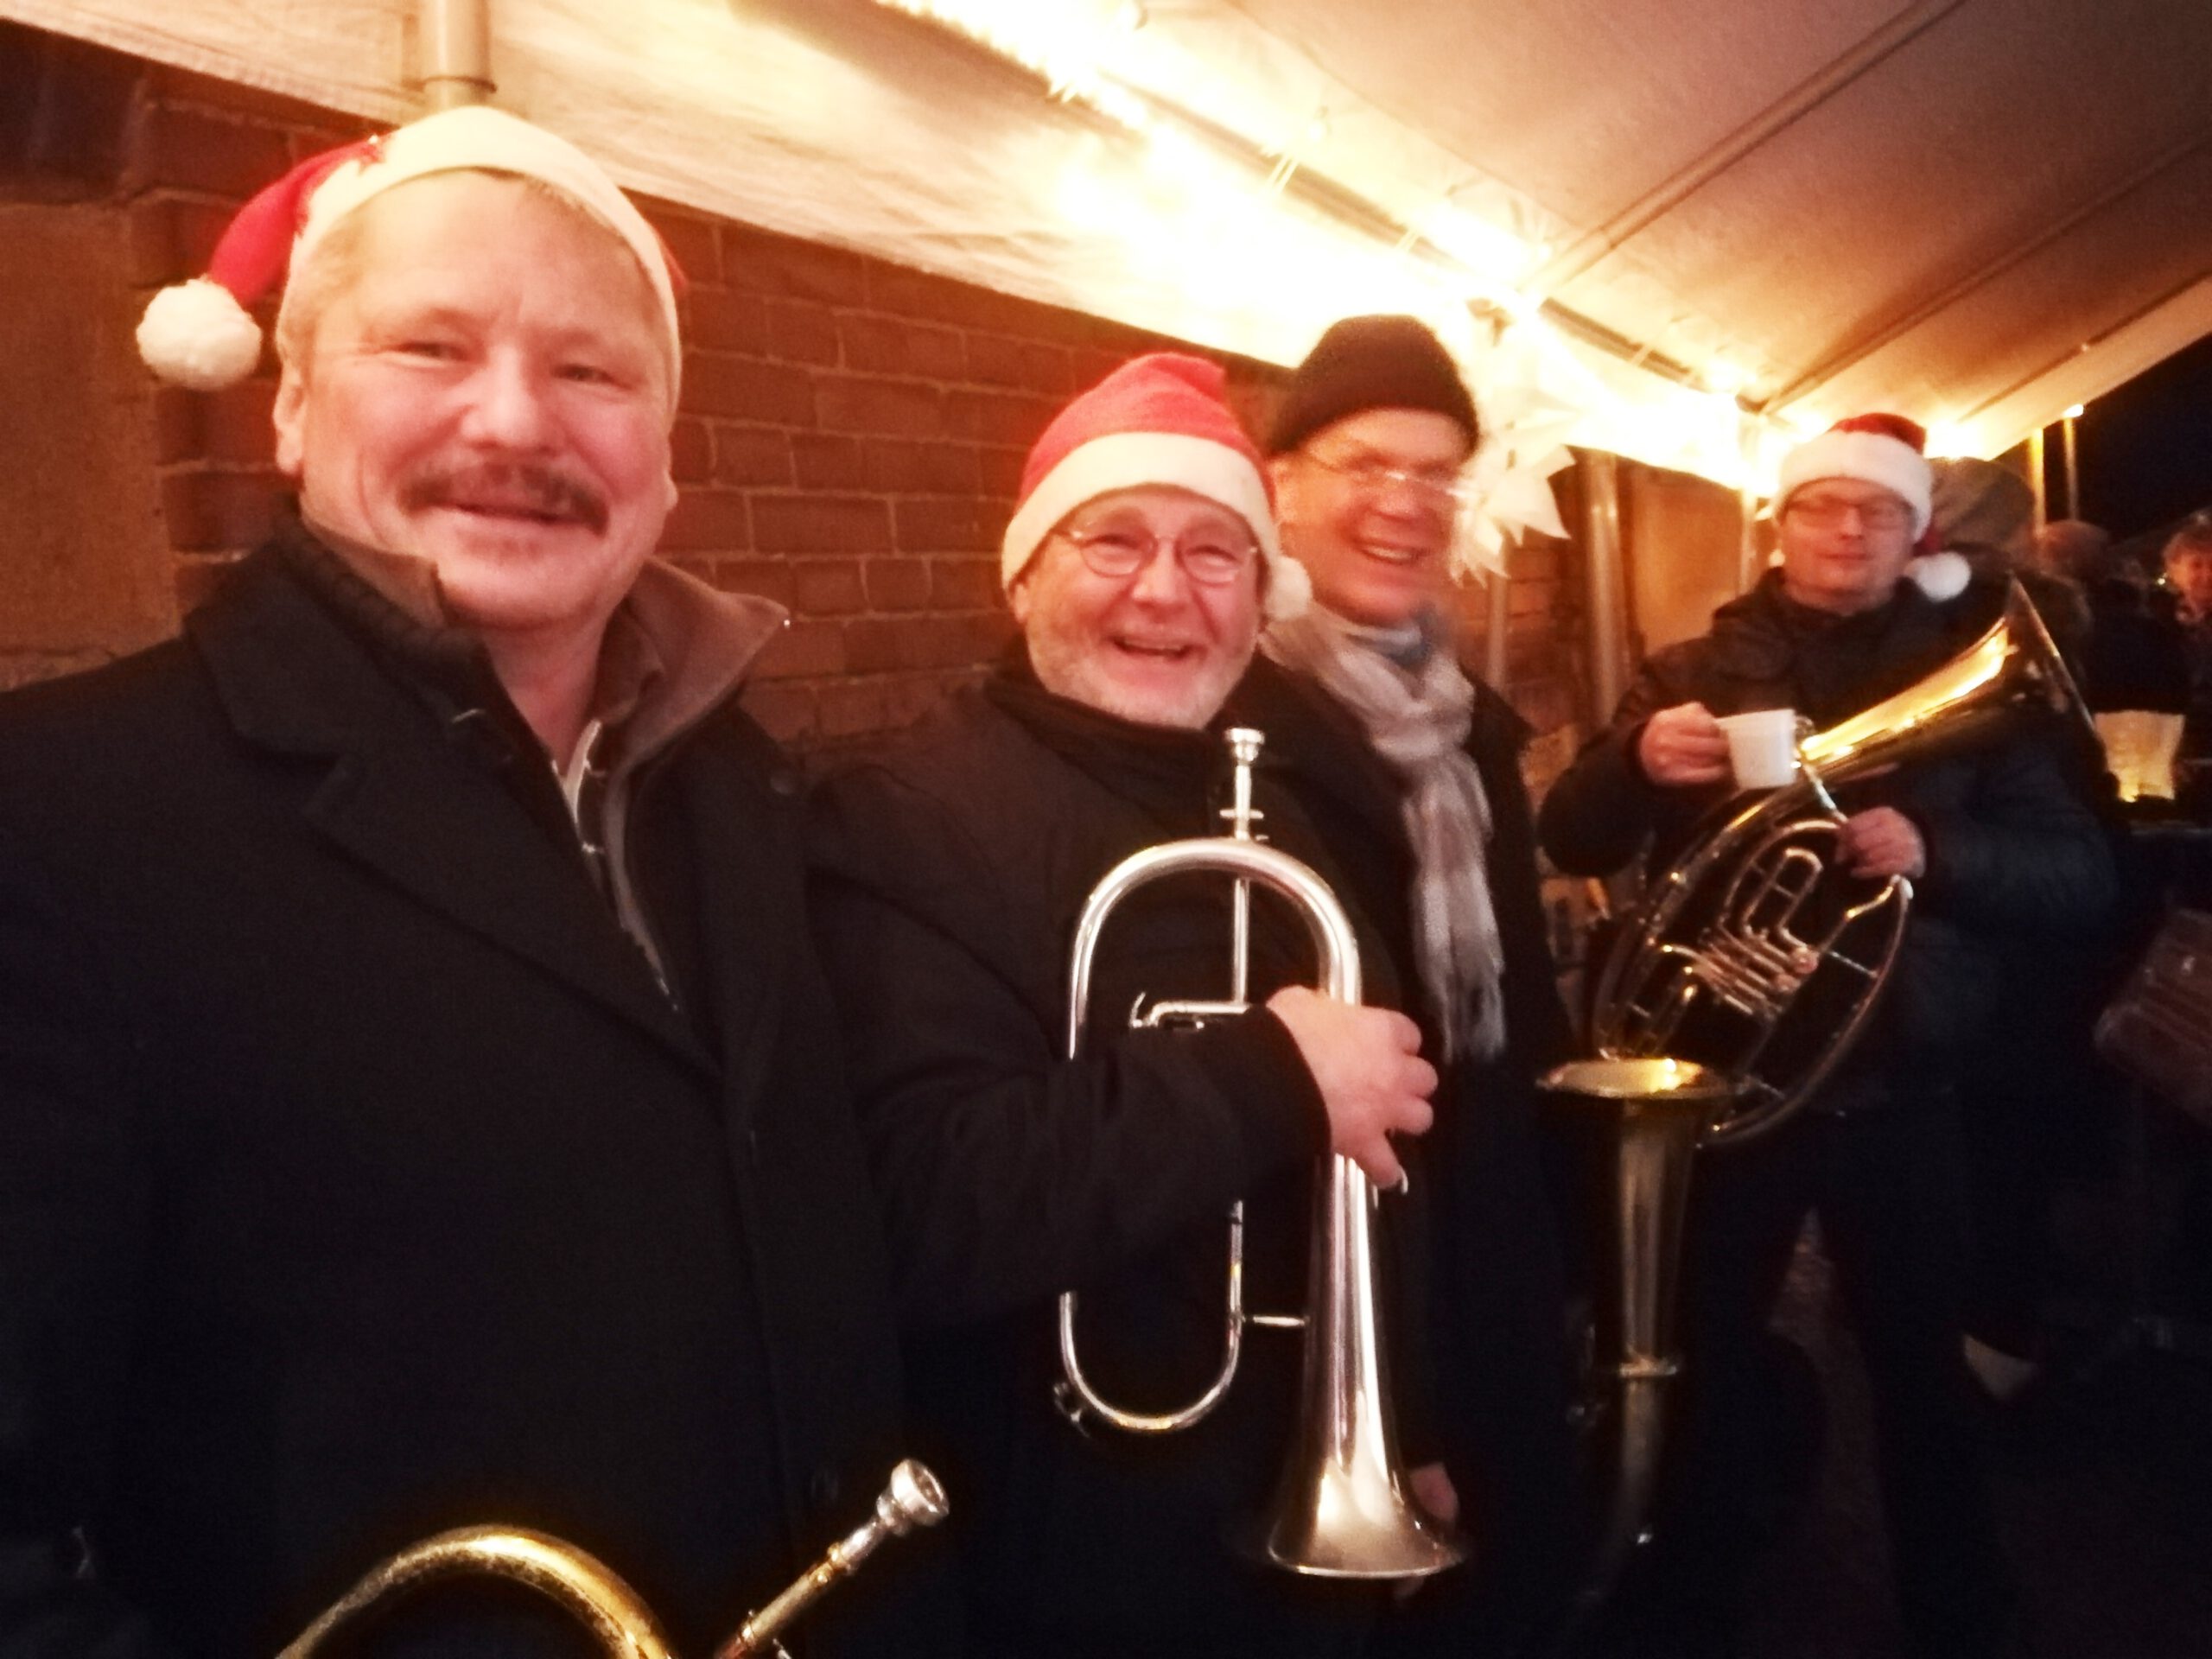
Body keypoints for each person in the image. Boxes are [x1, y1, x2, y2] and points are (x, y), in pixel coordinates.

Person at [0, 107, 948, 1656]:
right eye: (430, 349)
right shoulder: (52, 814)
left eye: (591, 372)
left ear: (661, 450)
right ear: (292, 406)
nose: (515, 424)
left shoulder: (752, 790)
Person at [808, 353, 1445, 1659]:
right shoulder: (897, 819)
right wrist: (1267, 1079)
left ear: (1262, 601)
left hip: (1296, 1520)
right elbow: (926, 1208)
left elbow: (1380, 1165)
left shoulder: (1287, 809)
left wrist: (1416, 1420)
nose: (1166, 590)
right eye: (1114, 540)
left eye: (1218, 553)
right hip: (1067, 1564)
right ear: (1024, 571)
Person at [1537, 412, 2115, 1657]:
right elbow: (1573, 836)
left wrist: (1940, 850)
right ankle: (1686, 1611)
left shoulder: (1971, 670)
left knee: (1925, 1383)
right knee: (1695, 1365)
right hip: (1722, 1078)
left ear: (1916, 535)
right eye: (1819, 506)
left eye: (1874, 511)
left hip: (1902, 1078)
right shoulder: (1692, 663)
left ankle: (1963, 1619)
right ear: (1778, 525)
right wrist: (1635, 759)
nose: (1845, 528)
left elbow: (2082, 877)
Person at [1242, 315, 1579, 1657]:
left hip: (1492, 1257)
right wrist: (1407, 1406)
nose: (1404, 504)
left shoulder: (1463, 725)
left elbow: (1507, 1034)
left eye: (1438, 474)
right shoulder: (1242, 728)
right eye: (1365, 462)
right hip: (1365, 1301)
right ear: (1283, 485)